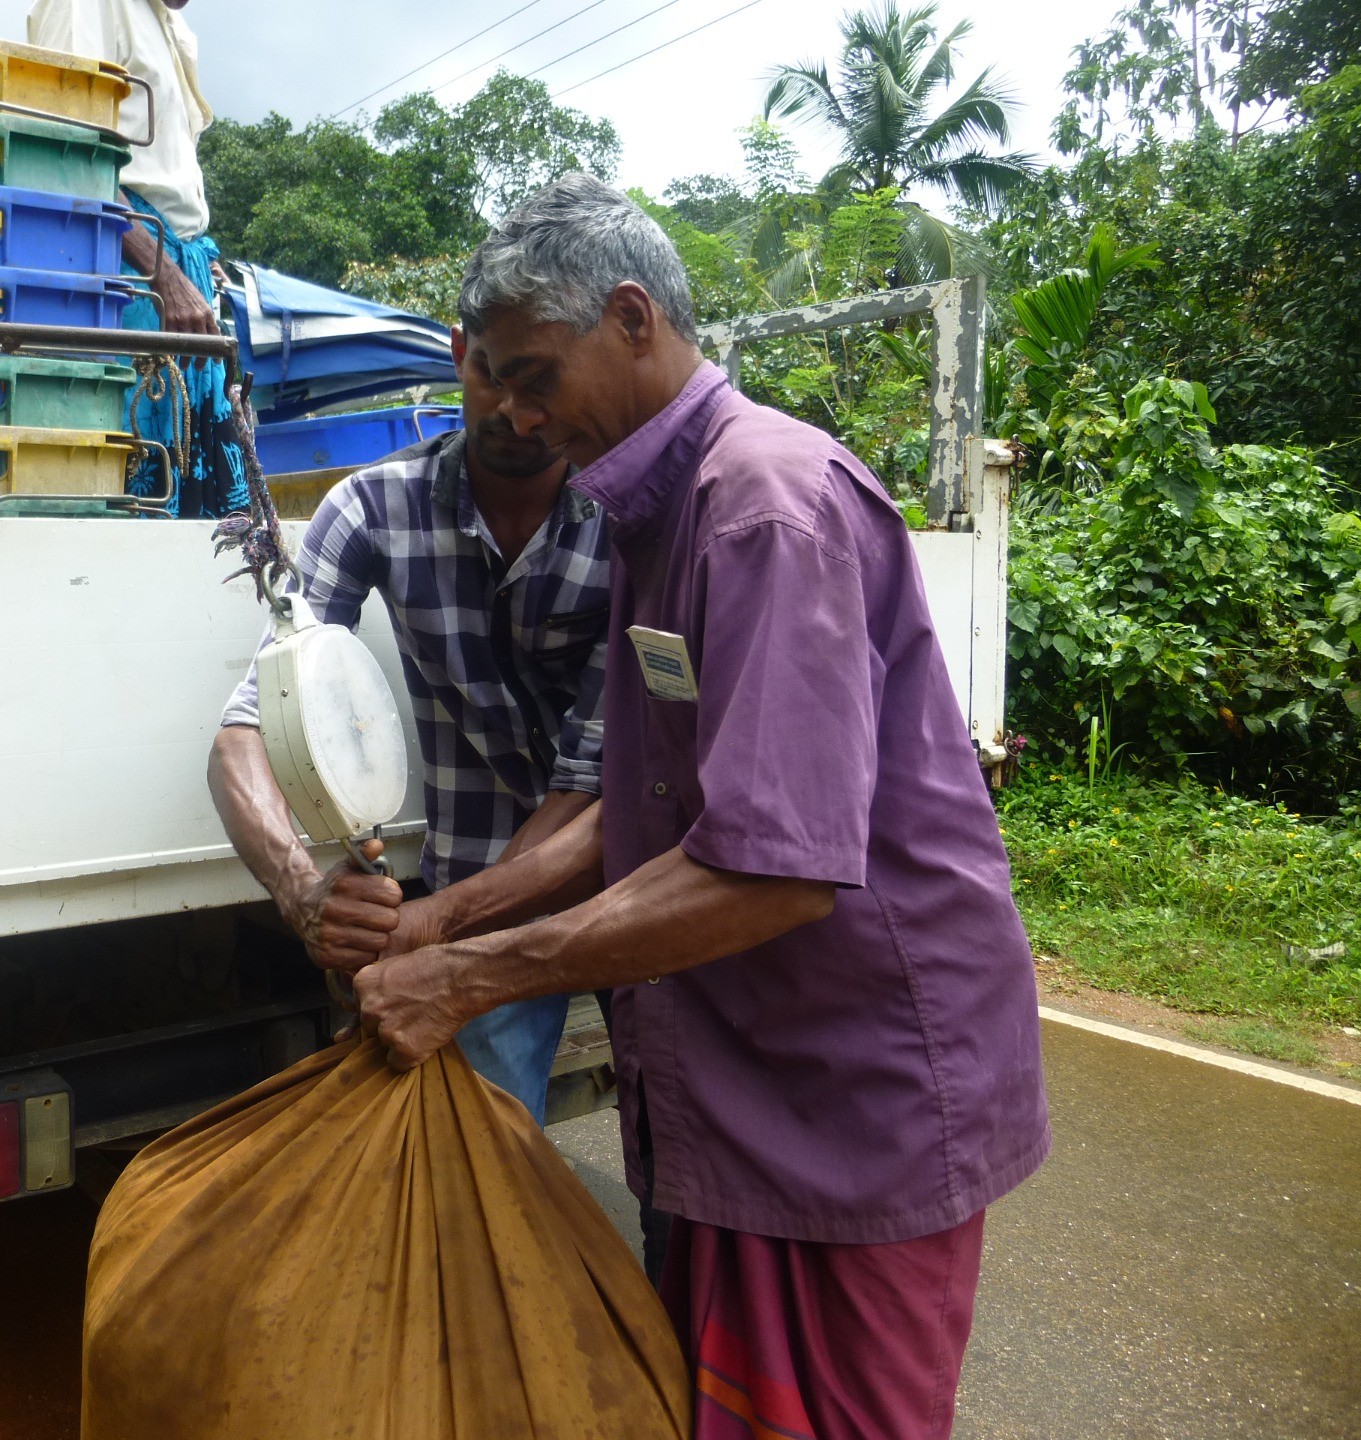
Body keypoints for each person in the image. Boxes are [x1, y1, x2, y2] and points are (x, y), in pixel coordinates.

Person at [351, 175, 1050, 1440]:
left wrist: (470, 977)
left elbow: (770, 866)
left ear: (629, 317)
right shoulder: (651, 512)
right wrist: (449, 915)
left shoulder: (761, 510)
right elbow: (647, 794)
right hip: (739, 1074)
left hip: (856, 1085)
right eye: (491, 379)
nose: (506, 412)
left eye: (529, 374)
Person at [207, 324, 610, 1125]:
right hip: (474, 900)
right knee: (477, 1176)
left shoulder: (629, 521)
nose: (518, 413)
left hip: (628, 886)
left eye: (544, 387)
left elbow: (589, 782)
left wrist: (433, 929)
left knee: (683, 1170)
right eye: (496, 373)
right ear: (460, 353)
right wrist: (303, 892)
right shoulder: (370, 506)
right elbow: (246, 731)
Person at [27, 0, 246, 518]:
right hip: (128, 277)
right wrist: (164, 274)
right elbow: (67, 148)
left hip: (175, 275)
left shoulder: (169, 23)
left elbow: (164, 167)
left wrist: (194, 263)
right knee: (137, 494)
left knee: (204, 519)